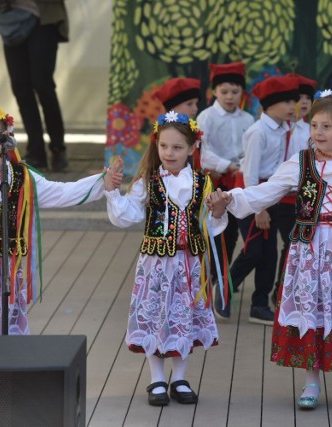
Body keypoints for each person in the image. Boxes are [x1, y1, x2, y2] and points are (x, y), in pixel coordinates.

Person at [209, 90, 332, 411]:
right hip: (308, 255)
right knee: (310, 311)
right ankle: (311, 381)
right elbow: (265, 192)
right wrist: (230, 200)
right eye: (314, 125)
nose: (318, 132)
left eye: (327, 126)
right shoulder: (300, 163)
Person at [104, 111, 228, 406]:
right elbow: (128, 214)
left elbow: (209, 226)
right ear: (156, 145)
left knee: (183, 316)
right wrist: (112, 192)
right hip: (156, 265)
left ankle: (180, 377)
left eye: (177, 148)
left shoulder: (202, 183)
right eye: (164, 146)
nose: (169, 153)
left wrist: (219, 210)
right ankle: (157, 379)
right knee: (156, 314)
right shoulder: (148, 182)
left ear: (192, 149)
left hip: (189, 265)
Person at [0, 107, 120, 335]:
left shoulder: (20, 177)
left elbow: (61, 192)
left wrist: (102, 181)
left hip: (5, 268)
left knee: (5, 331)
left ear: (6, 141)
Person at [213, 74, 299, 325]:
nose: (292, 107)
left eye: (293, 101)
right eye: (286, 102)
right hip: (250, 196)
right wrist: (258, 209)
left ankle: (260, 304)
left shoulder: (286, 128)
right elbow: (249, 173)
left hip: (271, 194)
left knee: (270, 252)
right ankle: (223, 288)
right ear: (269, 105)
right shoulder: (257, 132)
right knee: (253, 250)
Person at [197, 62, 254, 285]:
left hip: (239, 181)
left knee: (234, 234)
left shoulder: (248, 119)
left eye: (235, 91)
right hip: (216, 181)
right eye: (224, 92)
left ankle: (223, 279)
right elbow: (203, 151)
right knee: (216, 231)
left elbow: (249, 150)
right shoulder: (206, 117)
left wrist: (242, 165)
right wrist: (227, 165)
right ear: (213, 92)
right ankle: (213, 277)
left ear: (242, 92)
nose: (229, 96)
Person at [1, 0, 69, 171]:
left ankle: (58, 149)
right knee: (21, 88)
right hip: (12, 23)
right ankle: (36, 152)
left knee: (43, 85)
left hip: (44, 21)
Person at [272, 73, 317, 307]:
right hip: (285, 198)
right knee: (289, 245)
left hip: (306, 199)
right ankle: (279, 292)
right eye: (298, 98)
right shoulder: (285, 129)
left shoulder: (312, 130)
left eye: (308, 98)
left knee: (298, 246)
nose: (303, 102)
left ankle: (292, 291)